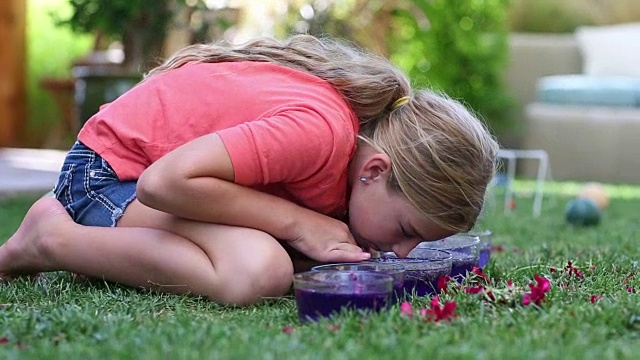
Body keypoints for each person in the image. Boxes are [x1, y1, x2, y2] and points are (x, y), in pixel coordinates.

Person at [0, 35, 498, 306]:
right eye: (408, 229)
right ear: (373, 171)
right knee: (258, 271)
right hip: (111, 178)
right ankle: (51, 240)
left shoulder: (347, 157)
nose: (404, 251)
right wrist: (298, 224)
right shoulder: (320, 132)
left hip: (155, 189)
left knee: (288, 261)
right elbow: (163, 183)